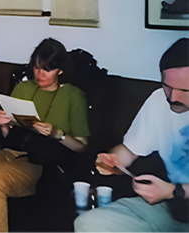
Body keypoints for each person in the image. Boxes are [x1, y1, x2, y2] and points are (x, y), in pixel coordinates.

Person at [0, 38, 90, 232]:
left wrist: (58, 134)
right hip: (12, 152)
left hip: (42, 162)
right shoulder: (24, 87)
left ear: (60, 70)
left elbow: (82, 146)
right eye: (37, 68)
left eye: (47, 69)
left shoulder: (73, 96)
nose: (40, 74)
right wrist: (4, 125)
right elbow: (9, 136)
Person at [74, 38, 189, 232]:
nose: (172, 97)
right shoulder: (158, 100)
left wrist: (173, 191)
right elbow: (130, 150)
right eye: (167, 86)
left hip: (174, 195)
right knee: (88, 223)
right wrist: (114, 160)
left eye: (185, 90)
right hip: (170, 207)